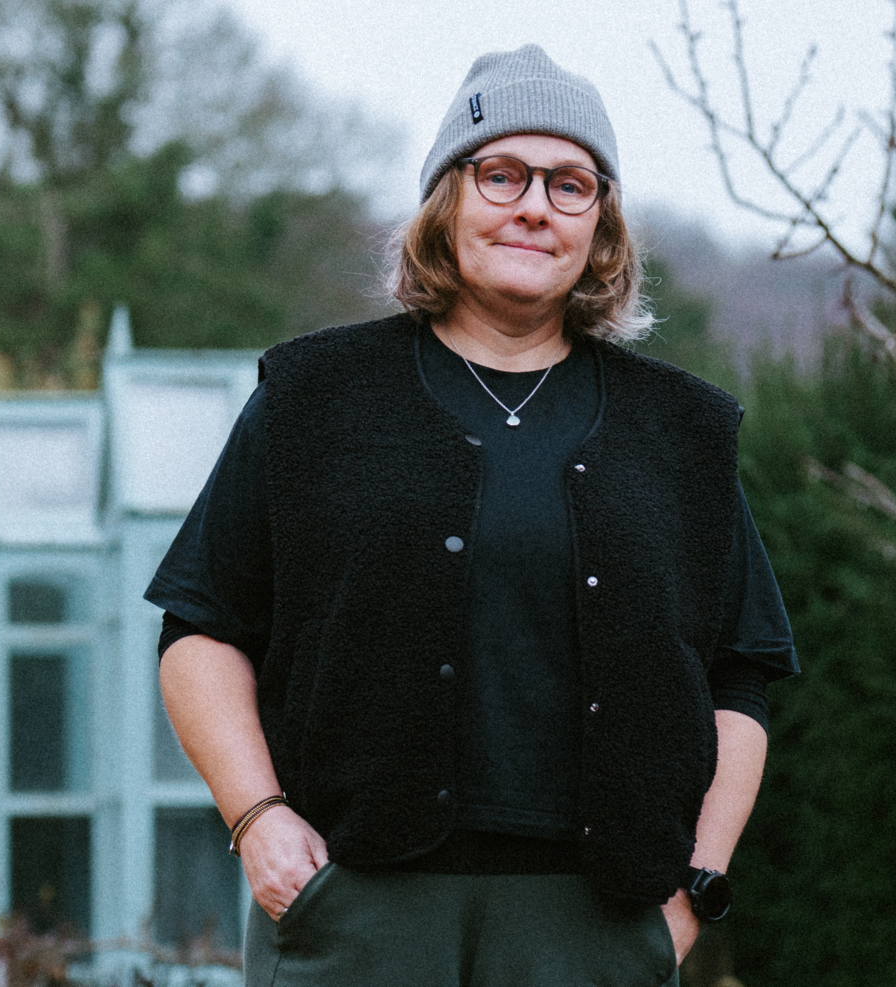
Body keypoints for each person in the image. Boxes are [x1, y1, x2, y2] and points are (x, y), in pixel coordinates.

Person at [146, 43, 797, 987]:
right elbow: (201, 627)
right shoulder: (314, 395)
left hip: (598, 922)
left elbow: (740, 673)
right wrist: (258, 819)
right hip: (356, 910)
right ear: (447, 201)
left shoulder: (683, 430)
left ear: (601, 227)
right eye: (502, 174)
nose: (535, 205)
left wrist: (695, 887)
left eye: (571, 185)